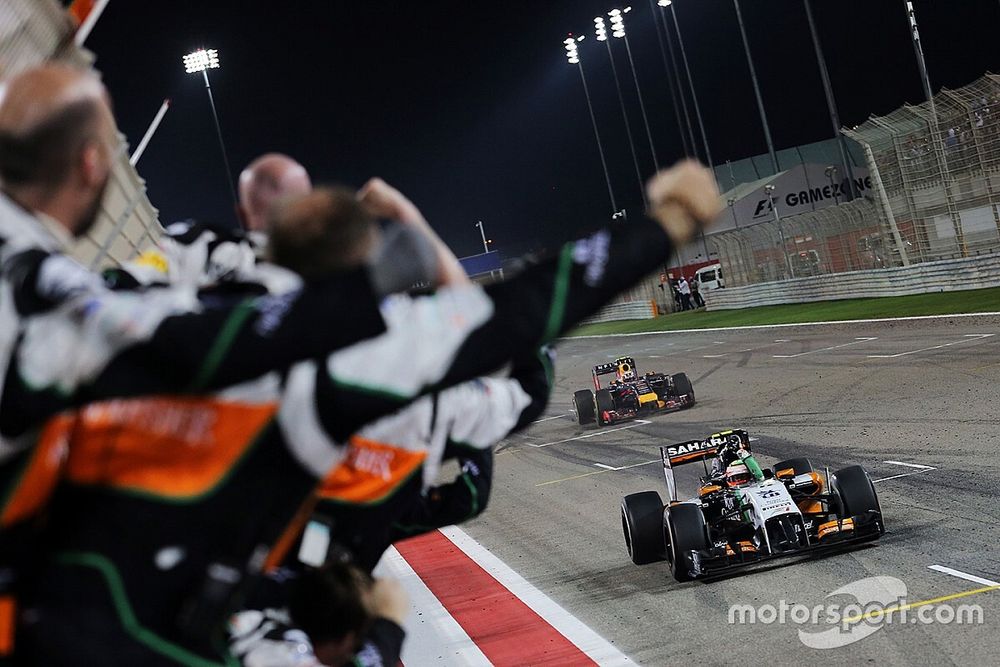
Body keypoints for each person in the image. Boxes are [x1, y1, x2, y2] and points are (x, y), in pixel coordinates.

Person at [20, 160, 722, 664]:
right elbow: (519, 341)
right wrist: (668, 223)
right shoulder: (352, 374)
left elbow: (85, 288)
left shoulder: (128, 317)